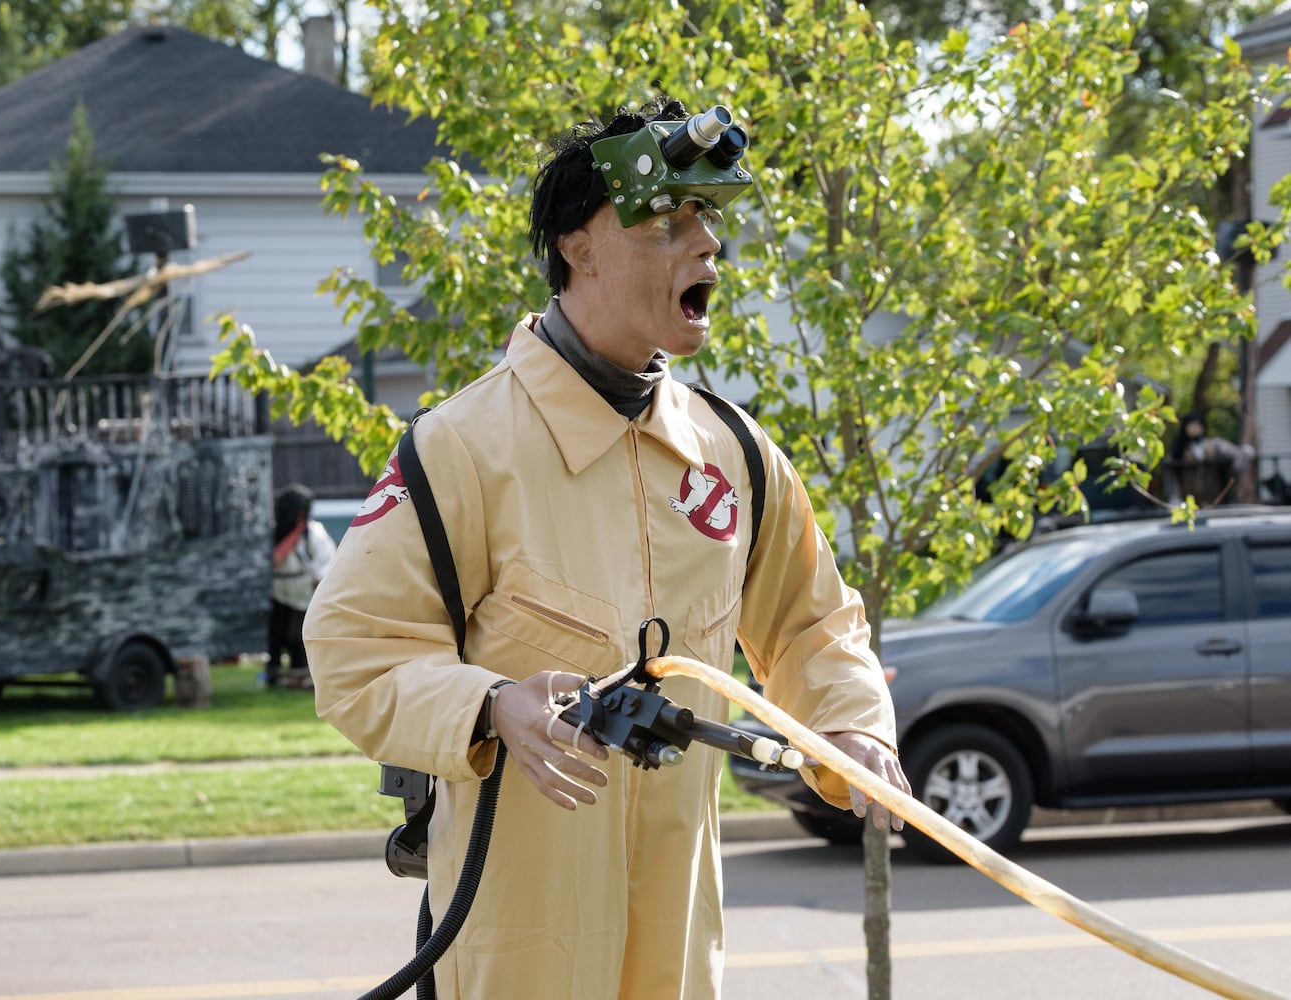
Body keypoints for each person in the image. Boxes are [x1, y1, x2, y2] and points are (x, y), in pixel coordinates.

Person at [303, 97, 909, 999]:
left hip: (679, 950)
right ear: (579, 247)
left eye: (708, 224)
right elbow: (353, 651)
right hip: (517, 949)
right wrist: (489, 706)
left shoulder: (736, 456)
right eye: (668, 225)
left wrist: (852, 724)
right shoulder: (462, 449)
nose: (706, 247)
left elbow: (815, 626)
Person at [267, 483, 336, 690]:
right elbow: (275, 560)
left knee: (297, 634)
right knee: (276, 634)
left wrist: (320, 579)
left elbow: (328, 559)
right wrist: (293, 534)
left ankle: (301, 676)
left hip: (303, 589)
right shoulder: (273, 531)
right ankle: (276, 675)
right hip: (278, 588)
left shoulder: (314, 532)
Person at [1166, 411, 1255, 505]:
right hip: (1189, 502)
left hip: (1215, 499)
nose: (1194, 428)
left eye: (1197, 425)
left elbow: (1237, 457)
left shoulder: (1216, 445)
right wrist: (1175, 498)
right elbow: (1173, 478)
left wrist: (1246, 452)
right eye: (1191, 425)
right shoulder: (1179, 450)